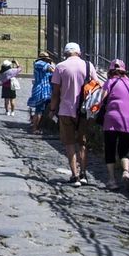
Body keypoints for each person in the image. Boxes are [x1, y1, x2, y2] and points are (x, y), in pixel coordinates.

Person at [50, 41, 95, 186]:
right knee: (82, 143)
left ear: (65, 53)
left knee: (69, 144)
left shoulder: (60, 67)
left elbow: (55, 93)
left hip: (65, 110)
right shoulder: (88, 66)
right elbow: (96, 87)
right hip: (83, 111)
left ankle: (74, 175)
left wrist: (52, 110)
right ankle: (83, 174)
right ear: (79, 52)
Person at [99, 58, 129, 190]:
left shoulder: (110, 82)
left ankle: (112, 180)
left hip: (112, 119)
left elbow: (102, 100)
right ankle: (126, 172)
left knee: (110, 149)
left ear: (111, 71)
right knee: (124, 150)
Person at [27, 50, 55, 134]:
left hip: (47, 91)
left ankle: (41, 126)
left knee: (44, 110)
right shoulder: (39, 64)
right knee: (39, 110)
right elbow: (51, 69)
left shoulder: (46, 66)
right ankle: (35, 128)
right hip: (40, 90)